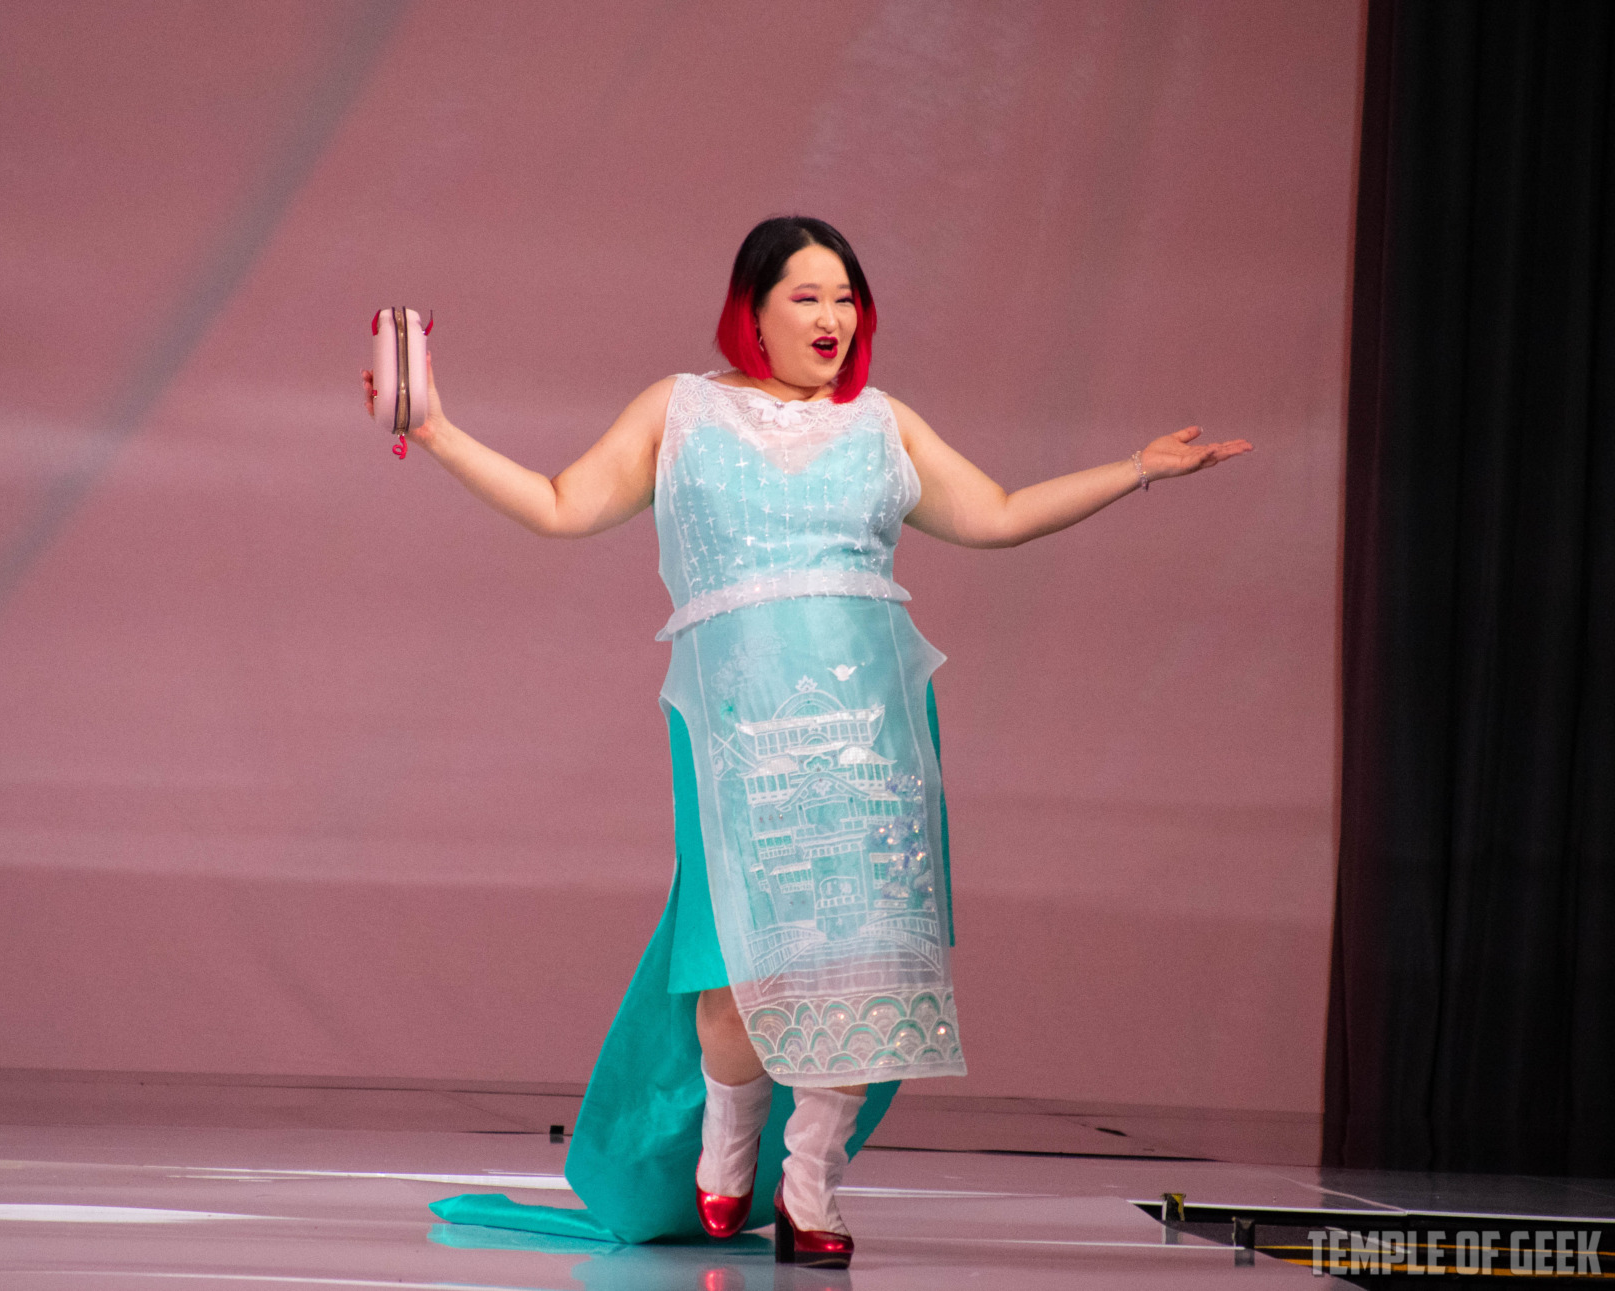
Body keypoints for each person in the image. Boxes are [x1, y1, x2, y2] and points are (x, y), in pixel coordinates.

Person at [365, 216, 1251, 1268]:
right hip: (737, 729)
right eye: (807, 296)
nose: (832, 318)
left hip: (873, 731)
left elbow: (1000, 513)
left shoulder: (882, 424)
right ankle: (730, 1140)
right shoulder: (679, 410)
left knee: (857, 968)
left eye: (846, 298)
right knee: (732, 973)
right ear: (753, 307)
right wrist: (437, 430)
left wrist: (1137, 468)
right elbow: (561, 505)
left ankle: (811, 1187)